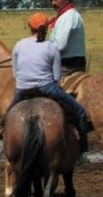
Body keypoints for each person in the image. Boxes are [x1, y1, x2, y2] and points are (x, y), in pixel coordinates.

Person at [9, 12, 88, 153]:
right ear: (47, 29)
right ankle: (82, 149)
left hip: (22, 88)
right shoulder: (51, 47)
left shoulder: (19, 45)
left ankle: (5, 140)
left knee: (7, 115)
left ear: (29, 26)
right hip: (47, 88)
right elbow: (56, 77)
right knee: (80, 112)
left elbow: (15, 73)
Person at [45, 0, 86, 75]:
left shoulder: (68, 17)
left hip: (68, 64)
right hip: (69, 61)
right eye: (51, 0)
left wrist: (42, 52)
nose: (53, 3)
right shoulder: (64, 16)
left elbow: (60, 45)